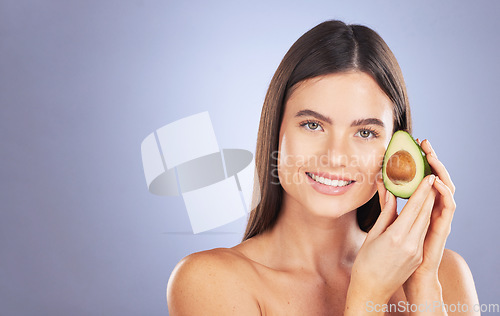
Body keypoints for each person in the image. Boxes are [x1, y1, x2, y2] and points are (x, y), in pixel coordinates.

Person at [166, 20, 479, 315]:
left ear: (396, 148)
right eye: (313, 125)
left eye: (366, 132)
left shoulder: (445, 274)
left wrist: (423, 283)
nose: (335, 157)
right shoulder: (209, 281)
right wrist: (367, 295)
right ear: (277, 129)